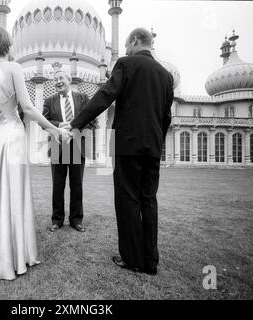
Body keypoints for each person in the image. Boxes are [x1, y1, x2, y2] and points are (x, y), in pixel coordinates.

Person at [0, 26, 71, 283]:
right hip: (11, 137)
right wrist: (54, 129)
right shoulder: (14, 69)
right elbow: (28, 108)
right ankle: (14, 256)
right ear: (8, 45)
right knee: (13, 195)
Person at [68, 28, 174, 275]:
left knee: (127, 200)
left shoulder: (126, 64)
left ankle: (132, 258)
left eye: (127, 44)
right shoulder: (166, 76)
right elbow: (166, 116)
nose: (125, 50)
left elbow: (106, 95)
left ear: (135, 41)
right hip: (152, 147)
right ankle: (150, 261)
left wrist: (76, 122)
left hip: (126, 145)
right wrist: (157, 140)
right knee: (148, 200)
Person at [43, 70, 96, 233]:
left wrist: (73, 127)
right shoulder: (49, 100)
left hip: (77, 146)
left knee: (77, 185)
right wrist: (60, 126)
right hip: (58, 145)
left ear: (69, 80)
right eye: (55, 79)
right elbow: (44, 122)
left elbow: (91, 120)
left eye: (61, 78)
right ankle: (57, 220)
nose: (57, 81)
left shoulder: (83, 98)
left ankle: (76, 220)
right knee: (58, 186)